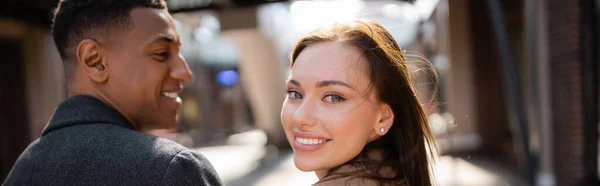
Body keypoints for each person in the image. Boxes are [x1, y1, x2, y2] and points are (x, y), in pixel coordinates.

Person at [3, 0, 222, 185]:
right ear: (94, 61)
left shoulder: (22, 172)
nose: (185, 73)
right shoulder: (174, 170)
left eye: (179, 53)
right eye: (162, 53)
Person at [280, 20, 438, 186]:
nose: (300, 117)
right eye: (295, 93)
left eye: (334, 97)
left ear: (382, 118)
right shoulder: (394, 173)